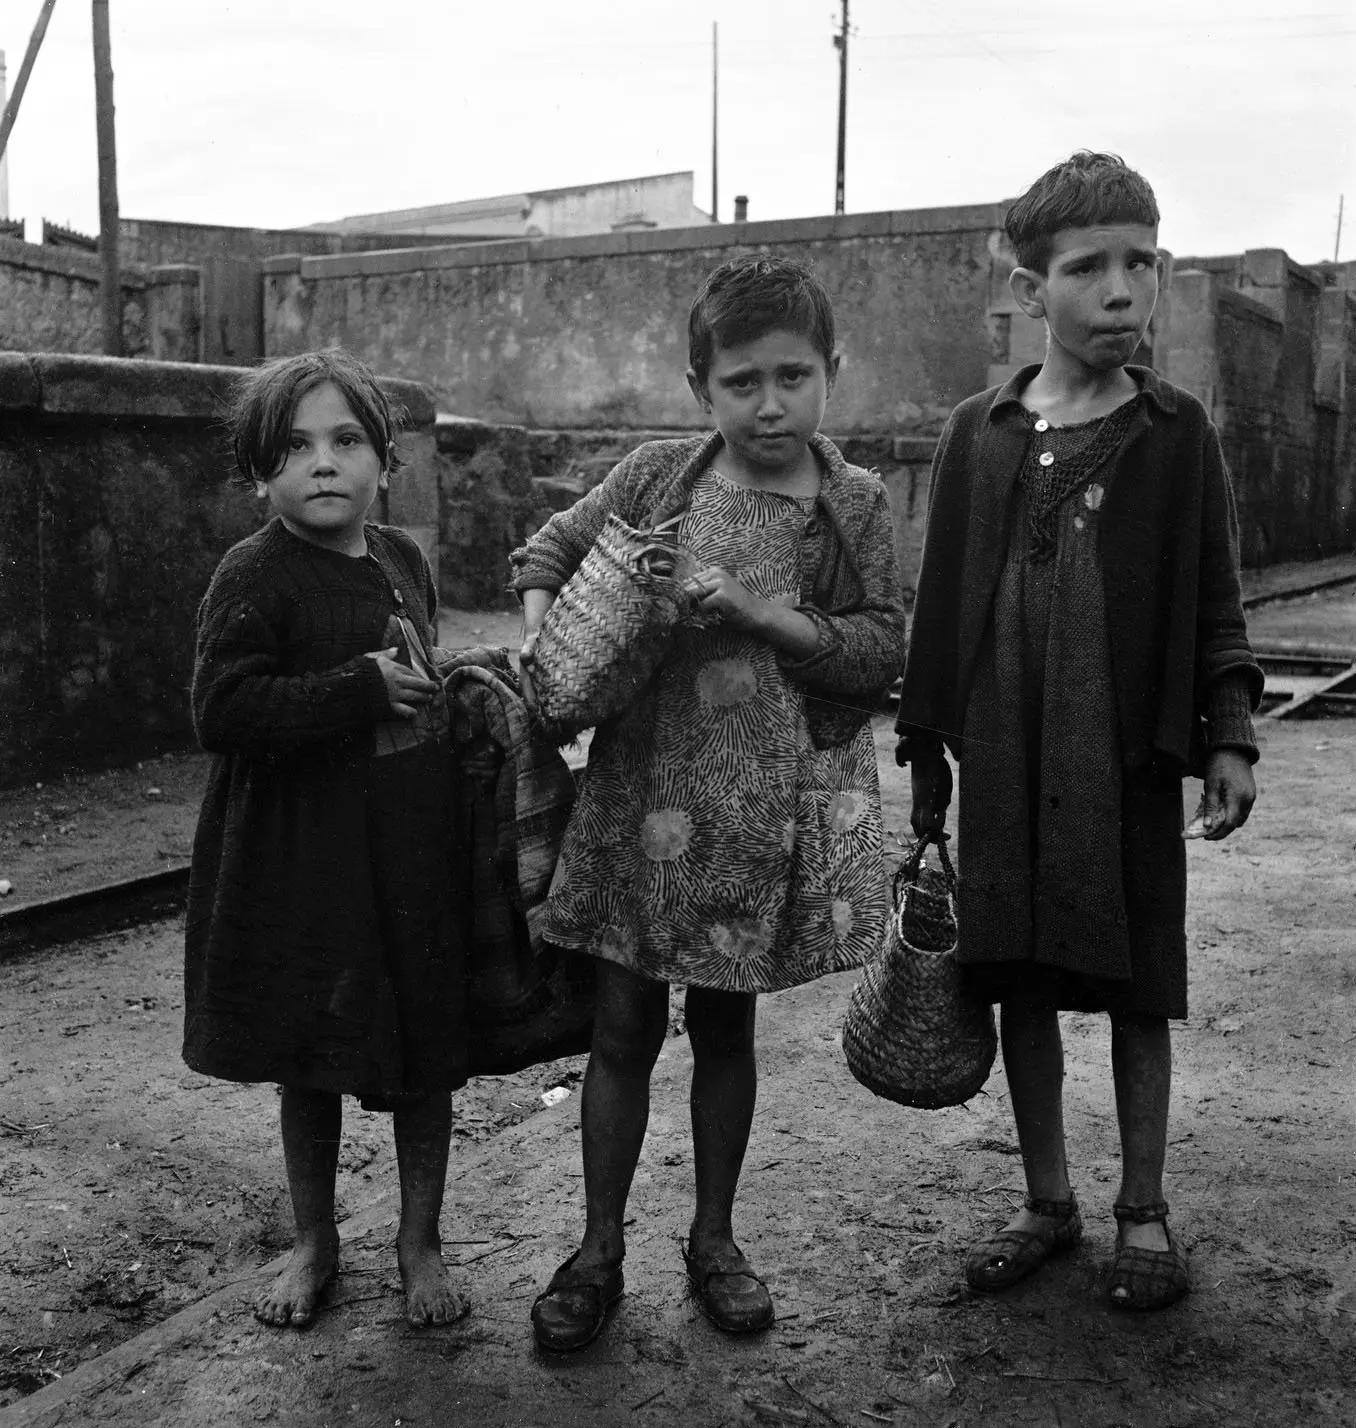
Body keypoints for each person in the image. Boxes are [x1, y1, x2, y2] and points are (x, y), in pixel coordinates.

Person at [511, 254, 908, 1350]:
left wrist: (761, 613)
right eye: (742, 383)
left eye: (792, 377)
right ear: (701, 388)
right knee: (622, 1029)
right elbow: (549, 547)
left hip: (763, 816)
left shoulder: (852, 505)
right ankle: (597, 1250)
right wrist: (554, 633)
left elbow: (880, 648)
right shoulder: (655, 479)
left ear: (831, 373)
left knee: (726, 1030)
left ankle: (715, 1241)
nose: (769, 404)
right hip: (641, 801)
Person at [896, 152, 1262, 1311]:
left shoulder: (1177, 433)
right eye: (1090, 267)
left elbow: (1214, 598)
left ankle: (1141, 1209)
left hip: (1124, 758)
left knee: (1141, 985)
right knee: (1019, 981)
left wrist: (1229, 734)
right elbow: (938, 600)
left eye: (1141, 264)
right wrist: (927, 757)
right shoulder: (980, 430)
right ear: (1029, 288)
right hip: (1003, 750)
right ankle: (1046, 1200)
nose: (1122, 290)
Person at [183, 350, 471, 1330]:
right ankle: (315, 1243)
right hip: (300, 862)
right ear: (259, 474)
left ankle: (420, 1244)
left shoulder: (402, 561)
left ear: (384, 461)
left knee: (424, 1051)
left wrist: (455, 694)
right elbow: (222, 708)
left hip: (405, 854)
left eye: (347, 440)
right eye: (295, 447)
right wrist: (357, 690)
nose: (323, 463)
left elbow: (416, 671)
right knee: (308, 1054)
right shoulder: (254, 573)